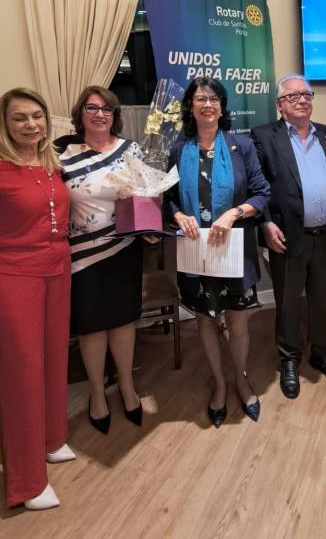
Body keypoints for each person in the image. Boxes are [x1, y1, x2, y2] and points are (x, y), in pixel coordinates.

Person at [166, 78, 270, 427]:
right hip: (196, 252)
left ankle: (241, 378)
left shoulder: (242, 146)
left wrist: (234, 213)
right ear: (190, 106)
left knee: (238, 322)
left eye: (213, 98)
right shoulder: (179, 150)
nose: (207, 104)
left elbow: (261, 193)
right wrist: (178, 215)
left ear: (222, 106)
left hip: (234, 251)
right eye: (200, 99)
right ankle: (220, 384)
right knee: (206, 321)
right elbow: (167, 198)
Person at [56, 85, 155, 433]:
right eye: (92, 108)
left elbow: (146, 196)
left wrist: (151, 225)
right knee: (92, 327)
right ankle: (97, 394)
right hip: (81, 255)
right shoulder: (61, 154)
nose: (100, 114)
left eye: (107, 109)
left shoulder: (132, 150)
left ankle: (127, 387)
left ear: (115, 115)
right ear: (80, 114)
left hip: (123, 248)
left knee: (124, 323)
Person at [251, 74, 326, 400]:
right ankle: (289, 359)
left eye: (307, 94)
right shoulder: (263, 137)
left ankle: (322, 353)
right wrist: (266, 224)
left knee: (323, 298)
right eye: (293, 96)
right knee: (289, 301)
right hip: (286, 236)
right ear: (279, 105)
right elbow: (256, 187)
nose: (302, 100)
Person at [0, 88, 74, 511]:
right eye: (19, 118)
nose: (31, 124)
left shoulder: (50, 164)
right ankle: (27, 483)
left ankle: (50, 439)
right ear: (5, 124)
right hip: (15, 276)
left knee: (53, 358)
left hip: (57, 268)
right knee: (23, 374)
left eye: (37, 116)